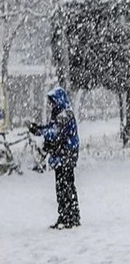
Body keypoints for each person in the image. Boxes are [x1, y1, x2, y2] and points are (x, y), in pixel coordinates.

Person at [29, 87, 80, 229]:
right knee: (64, 186)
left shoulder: (65, 115)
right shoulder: (60, 114)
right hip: (63, 156)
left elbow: (54, 132)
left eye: (53, 101)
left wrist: (40, 132)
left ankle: (69, 216)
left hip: (65, 156)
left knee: (65, 186)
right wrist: (39, 129)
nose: (51, 105)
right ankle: (67, 215)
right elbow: (52, 129)